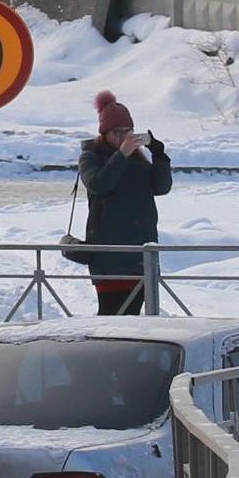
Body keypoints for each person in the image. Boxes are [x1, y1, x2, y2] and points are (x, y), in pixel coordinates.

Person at [77, 90, 172, 315]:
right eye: (117, 132)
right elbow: (99, 184)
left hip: (141, 253)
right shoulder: (91, 156)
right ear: (104, 133)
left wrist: (159, 156)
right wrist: (121, 155)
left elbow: (161, 187)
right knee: (111, 315)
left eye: (127, 132)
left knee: (134, 317)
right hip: (109, 255)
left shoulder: (138, 159)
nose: (123, 137)